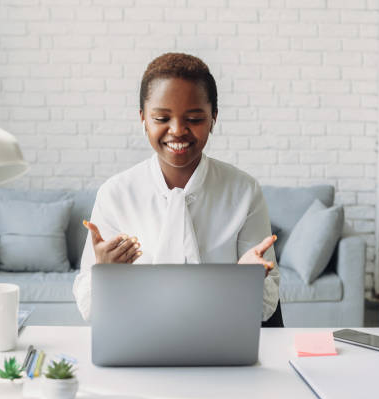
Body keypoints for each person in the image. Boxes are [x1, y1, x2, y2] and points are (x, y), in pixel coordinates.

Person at [73, 53, 280, 322]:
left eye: (194, 119)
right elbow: (89, 311)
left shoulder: (244, 191)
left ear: (213, 118)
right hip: (138, 342)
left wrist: (248, 281)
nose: (178, 130)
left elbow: (267, 308)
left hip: (219, 339)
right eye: (161, 119)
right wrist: (105, 273)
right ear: (143, 119)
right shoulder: (116, 194)